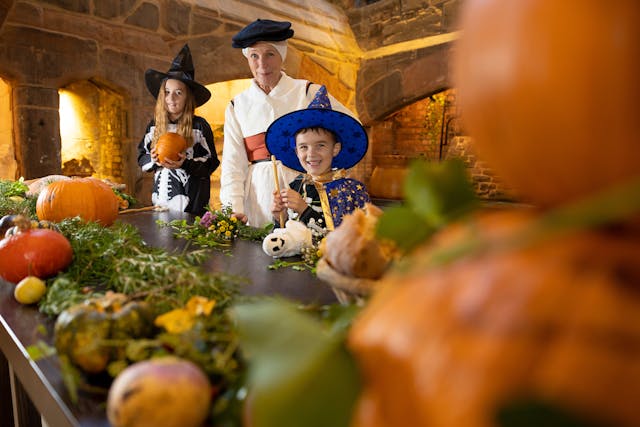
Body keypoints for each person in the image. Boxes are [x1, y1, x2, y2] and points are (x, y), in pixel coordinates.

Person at [220, 19, 355, 227]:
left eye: (270, 54)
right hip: (256, 200)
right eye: (254, 56)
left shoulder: (308, 92)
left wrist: (328, 179)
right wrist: (233, 208)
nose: (262, 64)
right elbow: (233, 164)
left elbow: (350, 128)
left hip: (305, 196)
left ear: (282, 56)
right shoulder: (237, 105)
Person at [266, 85, 370, 232]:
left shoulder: (349, 191)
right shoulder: (296, 186)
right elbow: (287, 236)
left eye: (320, 145)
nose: (311, 154)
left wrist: (304, 209)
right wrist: (279, 217)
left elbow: (341, 240)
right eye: (303, 147)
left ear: (335, 149)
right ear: (296, 151)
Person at [138, 44, 219, 216]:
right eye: (167, 92)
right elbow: (141, 156)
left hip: (192, 205)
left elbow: (211, 163)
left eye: (178, 93)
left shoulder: (199, 127)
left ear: (188, 97)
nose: (171, 98)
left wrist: (186, 163)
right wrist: (153, 159)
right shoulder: (154, 126)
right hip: (160, 202)